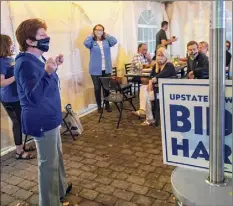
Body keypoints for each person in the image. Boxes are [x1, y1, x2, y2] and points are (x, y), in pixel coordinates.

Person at [14, 18, 71, 206]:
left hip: (51, 116)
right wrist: (47, 73)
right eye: (42, 35)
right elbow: (33, 96)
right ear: (30, 41)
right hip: (41, 119)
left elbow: (45, 84)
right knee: (48, 163)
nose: (47, 37)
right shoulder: (24, 63)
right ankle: (49, 202)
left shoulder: (38, 58)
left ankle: (61, 188)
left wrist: (54, 68)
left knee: (57, 157)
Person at [0, 34, 35, 160]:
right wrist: (16, 76)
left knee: (22, 121)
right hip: (10, 98)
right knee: (18, 123)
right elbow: (1, 82)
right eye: (10, 43)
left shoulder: (9, 59)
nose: (12, 45)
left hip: (16, 96)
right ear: (4, 45)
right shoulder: (2, 62)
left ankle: (22, 146)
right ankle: (19, 151)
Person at [84, 24, 117, 113]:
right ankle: (99, 106)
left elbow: (114, 41)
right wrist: (91, 35)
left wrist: (107, 35)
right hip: (95, 69)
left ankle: (107, 104)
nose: (99, 31)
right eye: (97, 30)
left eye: (101, 30)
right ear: (94, 31)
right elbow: (86, 44)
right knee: (97, 88)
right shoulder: (91, 42)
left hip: (106, 68)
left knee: (106, 87)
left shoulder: (106, 41)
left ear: (103, 31)